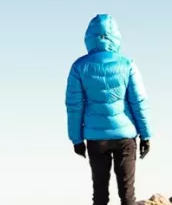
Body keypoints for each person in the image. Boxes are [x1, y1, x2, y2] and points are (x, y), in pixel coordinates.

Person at [65, 14, 153, 205]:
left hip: (96, 140)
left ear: (89, 37)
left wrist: (76, 139)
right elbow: (139, 102)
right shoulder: (127, 64)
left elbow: (74, 106)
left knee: (100, 194)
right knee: (128, 194)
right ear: (116, 36)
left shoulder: (79, 67)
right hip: (125, 137)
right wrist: (146, 135)